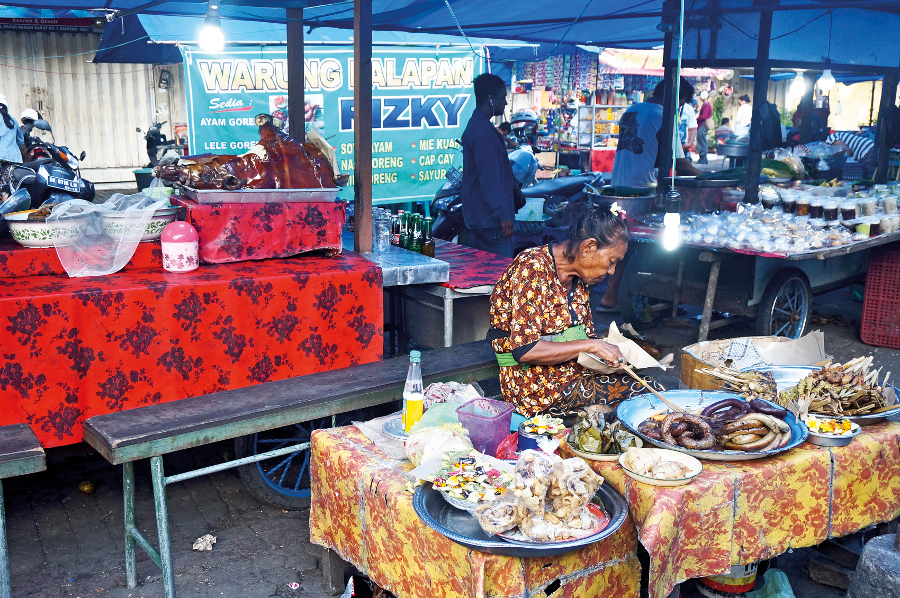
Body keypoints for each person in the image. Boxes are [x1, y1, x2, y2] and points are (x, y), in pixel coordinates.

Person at [489, 202, 664, 417]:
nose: (611, 271)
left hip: (572, 375)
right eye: (611, 261)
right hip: (536, 388)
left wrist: (609, 355)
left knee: (653, 385)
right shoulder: (532, 267)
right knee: (650, 395)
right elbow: (525, 350)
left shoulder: (580, 279)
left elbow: (585, 335)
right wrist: (592, 345)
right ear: (588, 247)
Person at [603, 78, 701, 311]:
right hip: (641, 191)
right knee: (640, 245)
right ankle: (625, 294)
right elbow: (680, 163)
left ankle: (609, 294)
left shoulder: (632, 109)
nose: (679, 110)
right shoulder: (662, 116)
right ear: (677, 98)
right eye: (682, 104)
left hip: (619, 186)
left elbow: (647, 151)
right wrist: (707, 176)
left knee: (622, 242)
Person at [459, 73, 516, 257]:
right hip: (490, 222)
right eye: (503, 98)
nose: (505, 103)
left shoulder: (479, 126)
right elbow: (490, 179)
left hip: (483, 218)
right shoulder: (482, 131)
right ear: (490, 99)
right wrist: (503, 215)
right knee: (500, 280)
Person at [0, 94, 24, 197]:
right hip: (15, 158)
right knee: (7, 183)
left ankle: (4, 210)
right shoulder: (13, 120)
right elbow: (20, 140)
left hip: (1, 157)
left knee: (3, 184)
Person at [696, 92, 713, 164]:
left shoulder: (707, 105)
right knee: (702, 141)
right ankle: (703, 159)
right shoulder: (706, 104)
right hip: (702, 125)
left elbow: (704, 116)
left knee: (701, 141)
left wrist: (696, 119)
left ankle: (703, 159)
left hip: (702, 125)